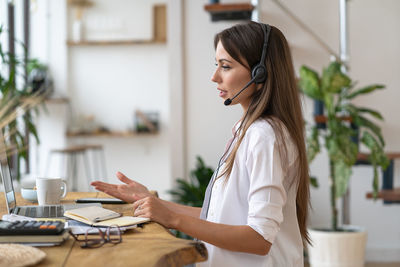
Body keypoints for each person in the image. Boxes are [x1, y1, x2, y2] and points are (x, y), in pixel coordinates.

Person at [91, 21, 310, 266]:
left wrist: (173, 219)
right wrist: (153, 203)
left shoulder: (264, 136)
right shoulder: (247, 130)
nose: (214, 76)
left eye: (225, 66)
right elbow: (217, 217)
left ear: (260, 73)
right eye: (216, 65)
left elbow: (259, 239)